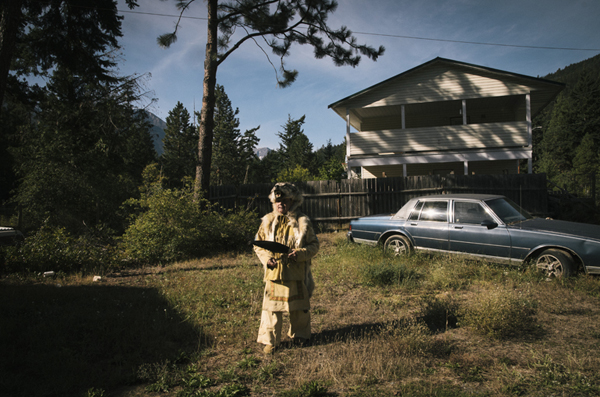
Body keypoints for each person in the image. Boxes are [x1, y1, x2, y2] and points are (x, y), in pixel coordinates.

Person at [253, 182, 320, 354]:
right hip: (274, 274)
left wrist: (300, 254)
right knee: (271, 309)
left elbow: (314, 246)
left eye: (285, 201)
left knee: (298, 307)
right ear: (273, 202)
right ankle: (270, 341)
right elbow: (258, 245)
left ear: (293, 202)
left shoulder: (302, 222)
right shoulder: (267, 221)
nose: (280, 204)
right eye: (277, 201)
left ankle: (300, 336)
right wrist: (267, 259)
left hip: (296, 273)